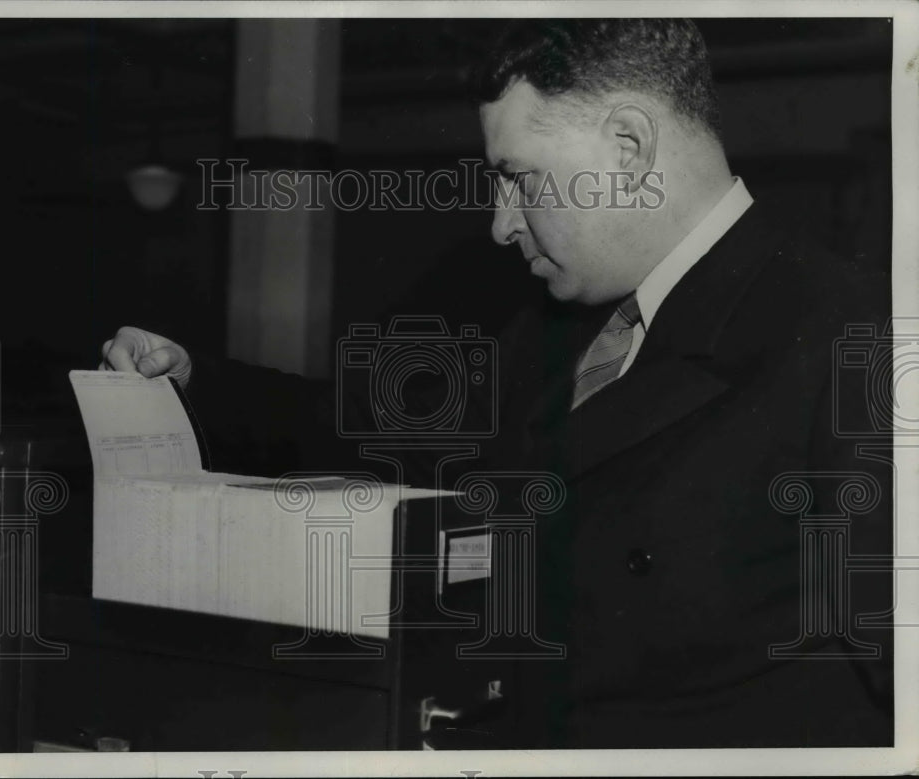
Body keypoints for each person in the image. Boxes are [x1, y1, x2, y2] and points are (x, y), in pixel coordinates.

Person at [99, 19, 893, 747]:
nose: (501, 223)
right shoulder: (555, 333)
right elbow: (360, 428)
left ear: (628, 146)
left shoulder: (853, 336)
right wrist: (193, 381)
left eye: (517, 177)